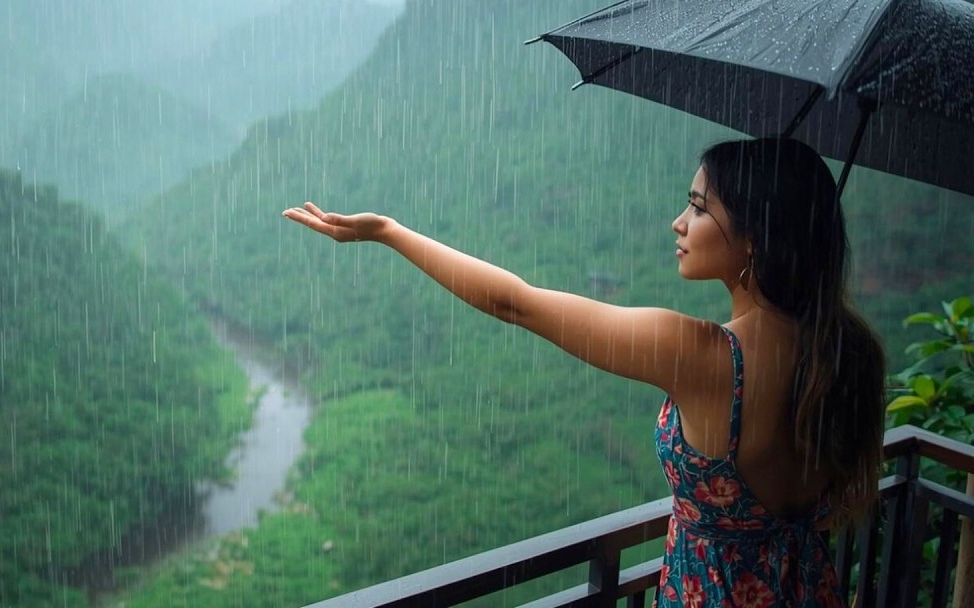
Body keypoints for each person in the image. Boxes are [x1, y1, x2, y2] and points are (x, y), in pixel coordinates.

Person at [281, 137, 885, 607]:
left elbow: (514, 302)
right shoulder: (846, 350)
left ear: (755, 238)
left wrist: (389, 232)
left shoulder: (705, 358)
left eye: (699, 208)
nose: (679, 221)